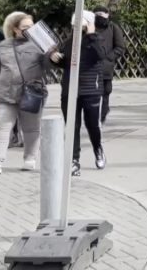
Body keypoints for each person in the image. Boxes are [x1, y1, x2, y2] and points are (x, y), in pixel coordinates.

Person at [0, 12, 51, 175]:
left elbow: (50, 65)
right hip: (5, 93)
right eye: (25, 27)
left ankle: (30, 158)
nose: (29, 30)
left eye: (32, 27)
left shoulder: (41, 45)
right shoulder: (4, 46)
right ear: (15, 29)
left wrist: (53, 55)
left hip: (31, 93)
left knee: (31, 128)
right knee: (1, 128)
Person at [58, 11, 109, 177]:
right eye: (75, 26)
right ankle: (74, 160)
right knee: (72, 126)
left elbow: (101, 55)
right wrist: (55, 58)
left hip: (90, 90)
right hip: (70, 90)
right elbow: (63, 61)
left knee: (92, 125)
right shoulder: (69, 42)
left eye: (80, 26)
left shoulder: (97, 40)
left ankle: (98, 149)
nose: (77, 29)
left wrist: (91, 34)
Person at [92, 5, 125, 126]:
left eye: (101, 15)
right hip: (91, 67)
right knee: (93, 93)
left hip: (106, 67)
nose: (99, 17)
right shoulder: (90, 27)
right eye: (97, 15)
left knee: (106, 91)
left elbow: (120, 47)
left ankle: (103, 112)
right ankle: (96, 115)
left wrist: (109, 57)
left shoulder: (113, 28)